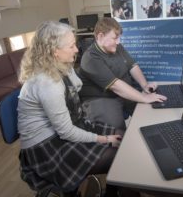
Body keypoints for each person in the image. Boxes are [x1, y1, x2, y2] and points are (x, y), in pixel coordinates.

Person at [17, 21, 124, 197]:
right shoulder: (47, 83)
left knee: (123, 137)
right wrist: (105, 139)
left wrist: (70, 69)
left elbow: (76, 86)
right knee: (118, 154)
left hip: (60, 132)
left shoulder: (59, 66)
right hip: (46, 149)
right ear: (54, 51)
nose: (77, 50)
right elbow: (66, 132)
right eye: (71, 46)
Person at [79, 17, 167, 129]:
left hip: (122, 91)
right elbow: (115, 86)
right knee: (119, 131)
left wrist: (144, 85)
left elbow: (132, 66)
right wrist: (143, 98)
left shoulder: (116, 47)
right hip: (104, 98)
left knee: (150, 111)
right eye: (115, 38)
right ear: (100, 36)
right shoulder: (90, 58)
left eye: (119, 38)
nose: (118, 42)